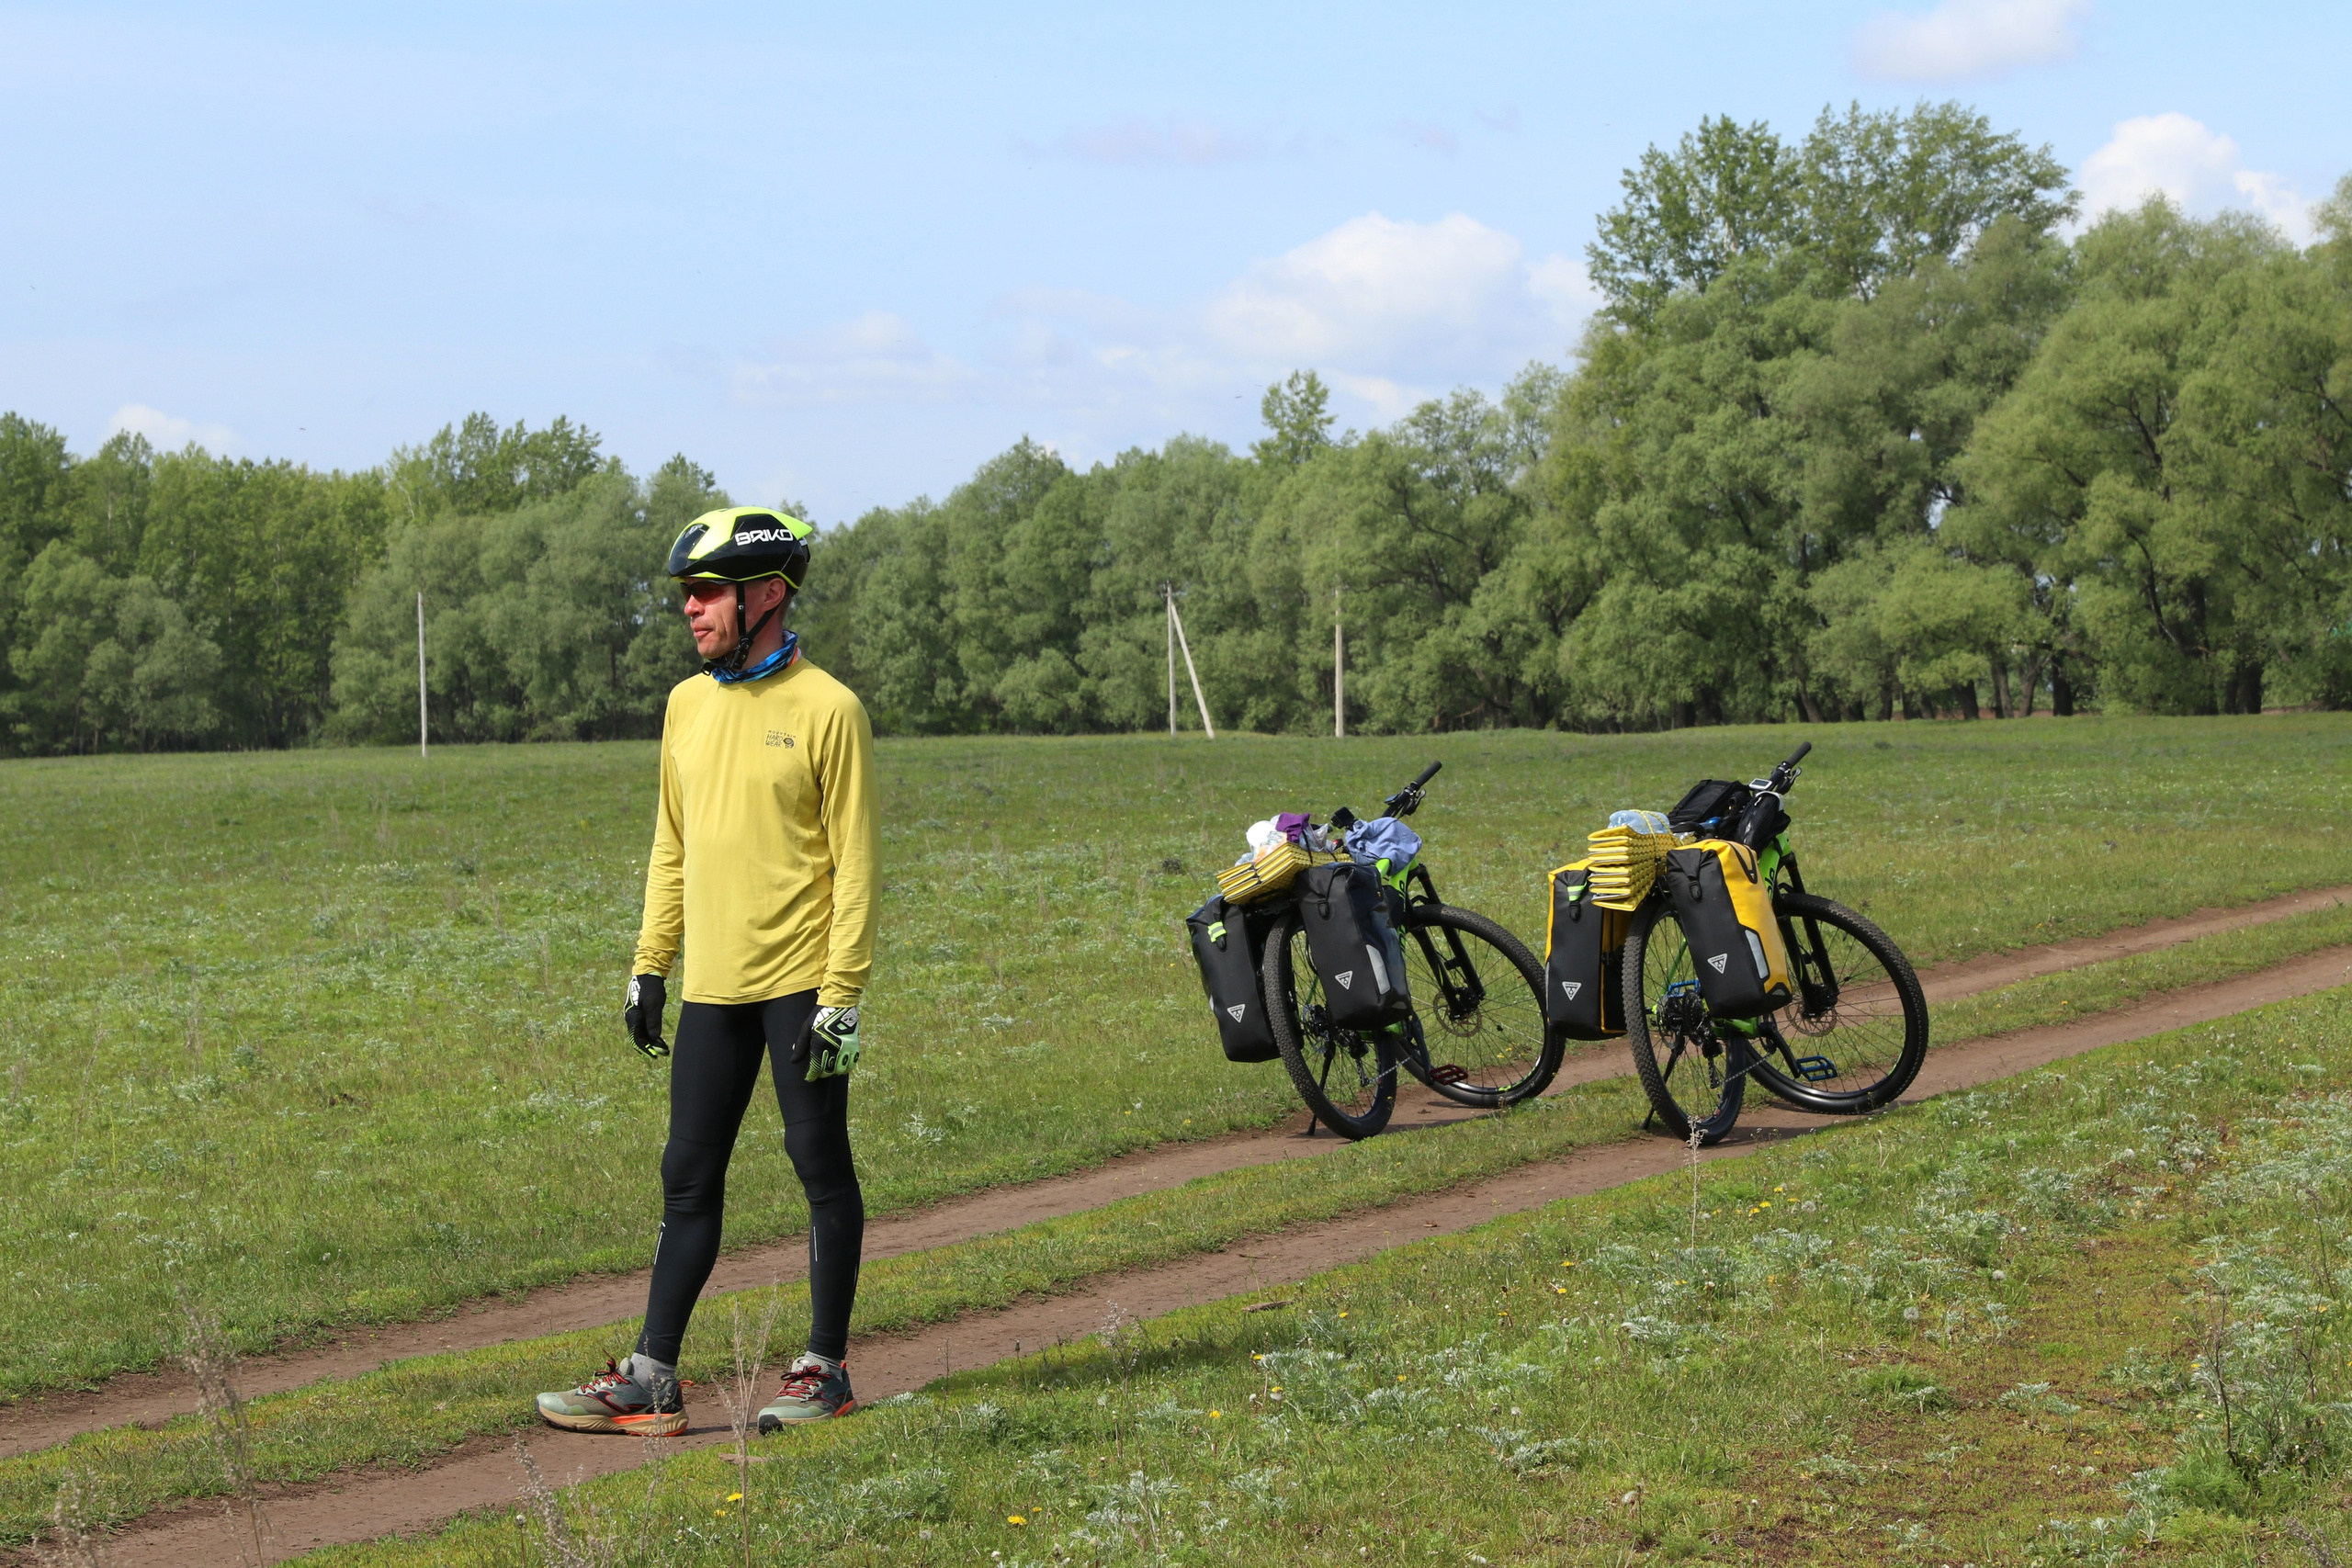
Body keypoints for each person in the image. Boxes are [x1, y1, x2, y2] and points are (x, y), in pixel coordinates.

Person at [534, 505, 877, 1437]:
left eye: (706, 593)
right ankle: (652, 1379)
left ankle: (824, 1368)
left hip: (803, 984)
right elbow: (671, 846)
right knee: (685, 1177)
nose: (690, 610)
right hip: (712, 988)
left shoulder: (829, 710)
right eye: (686, 595)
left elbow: (855, 866)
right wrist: (650, 968)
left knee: (819, 1166)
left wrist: (842, 997)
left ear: (766, 595)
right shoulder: (687, 705)